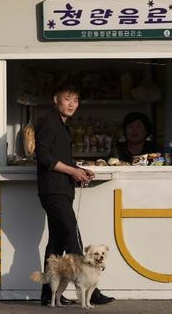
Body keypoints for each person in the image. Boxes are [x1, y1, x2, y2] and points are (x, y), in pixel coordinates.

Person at [34, 83, 115, 306]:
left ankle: (47, 294)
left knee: (56, 243)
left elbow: (60, 158)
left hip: (59, 189)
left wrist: (79, 171)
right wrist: (73, 171)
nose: (72, 104)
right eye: (67, 99)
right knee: (73, 237)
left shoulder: (62, 125)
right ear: (56, 100)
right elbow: (43, 156)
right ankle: (92, 291)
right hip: (54, 190)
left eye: (76, 100)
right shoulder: (49, 122)